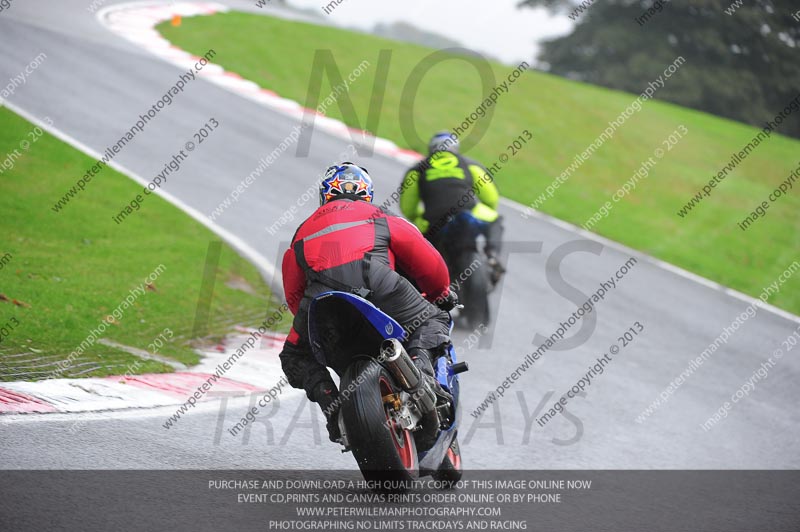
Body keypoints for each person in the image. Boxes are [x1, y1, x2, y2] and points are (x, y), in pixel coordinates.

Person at [278, 162, 458, 445]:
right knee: (431, 317)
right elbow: (427, 259)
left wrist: (313, 325)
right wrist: (439, 291)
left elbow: (293, 293)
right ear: (367, 193)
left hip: (322, 303)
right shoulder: (379, 214)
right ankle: (423, 379)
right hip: (377, 284)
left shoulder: (301, 231)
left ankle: (334, 409)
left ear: (325, 195)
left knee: (293, 356)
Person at [400, 131, 505, 285]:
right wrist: (484, 209)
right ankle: (492, 255)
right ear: (456, 148)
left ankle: (419, 284)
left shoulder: (417, 169)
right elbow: (491, 197)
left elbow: (407, 207)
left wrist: (419, 218)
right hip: (469, 214)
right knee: (495, 220)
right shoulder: (470, 165)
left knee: (414, 255)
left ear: (431, 148)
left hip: (433, 222)